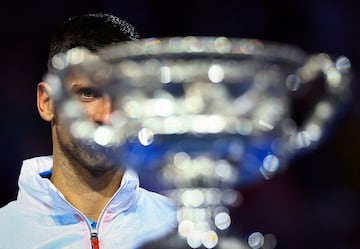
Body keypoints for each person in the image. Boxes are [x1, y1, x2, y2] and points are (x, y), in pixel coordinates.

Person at [0, 13, 177, 249]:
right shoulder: (5, 233)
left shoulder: (177, 227)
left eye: (121, 95)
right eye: (88, 93)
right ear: (47, 102)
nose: (106, 115)